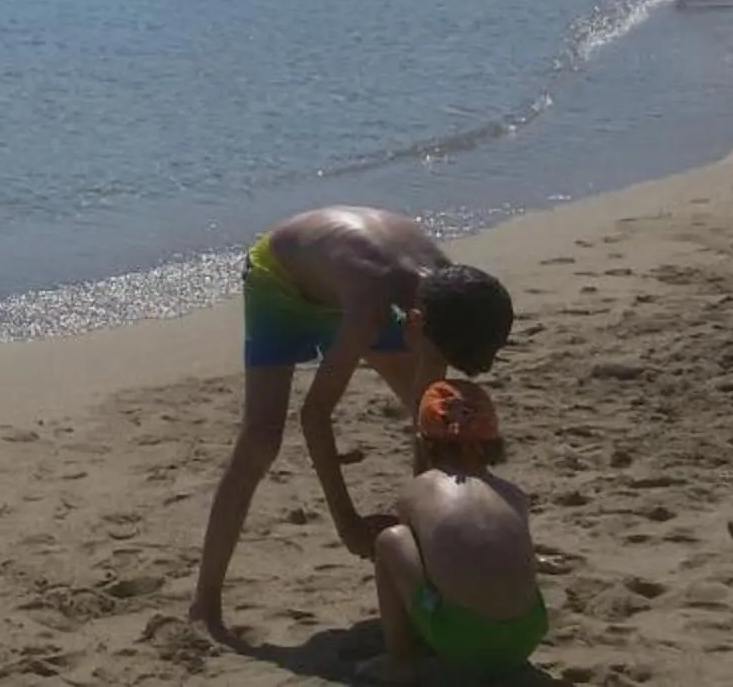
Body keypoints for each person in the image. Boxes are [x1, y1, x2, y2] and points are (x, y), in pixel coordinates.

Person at [189, 206, 516, 638]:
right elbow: (315, 414)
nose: (433, 363)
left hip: (358, 286)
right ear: (414, 323)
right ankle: (205, 602)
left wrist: (429, 524)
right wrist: (347, 522)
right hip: (283, 282)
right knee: (261, 438)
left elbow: (427, 417)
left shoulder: (454, 294)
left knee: (437, 419)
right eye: (435, 353)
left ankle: (466, 545)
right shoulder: (374, 306)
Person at [371, 380, 546, 678]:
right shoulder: (513, 494)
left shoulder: (416, 492)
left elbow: (425, 559)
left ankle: (401, 658)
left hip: (463, 640)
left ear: (423, 442)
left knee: (391, 540)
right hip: (528, 633)